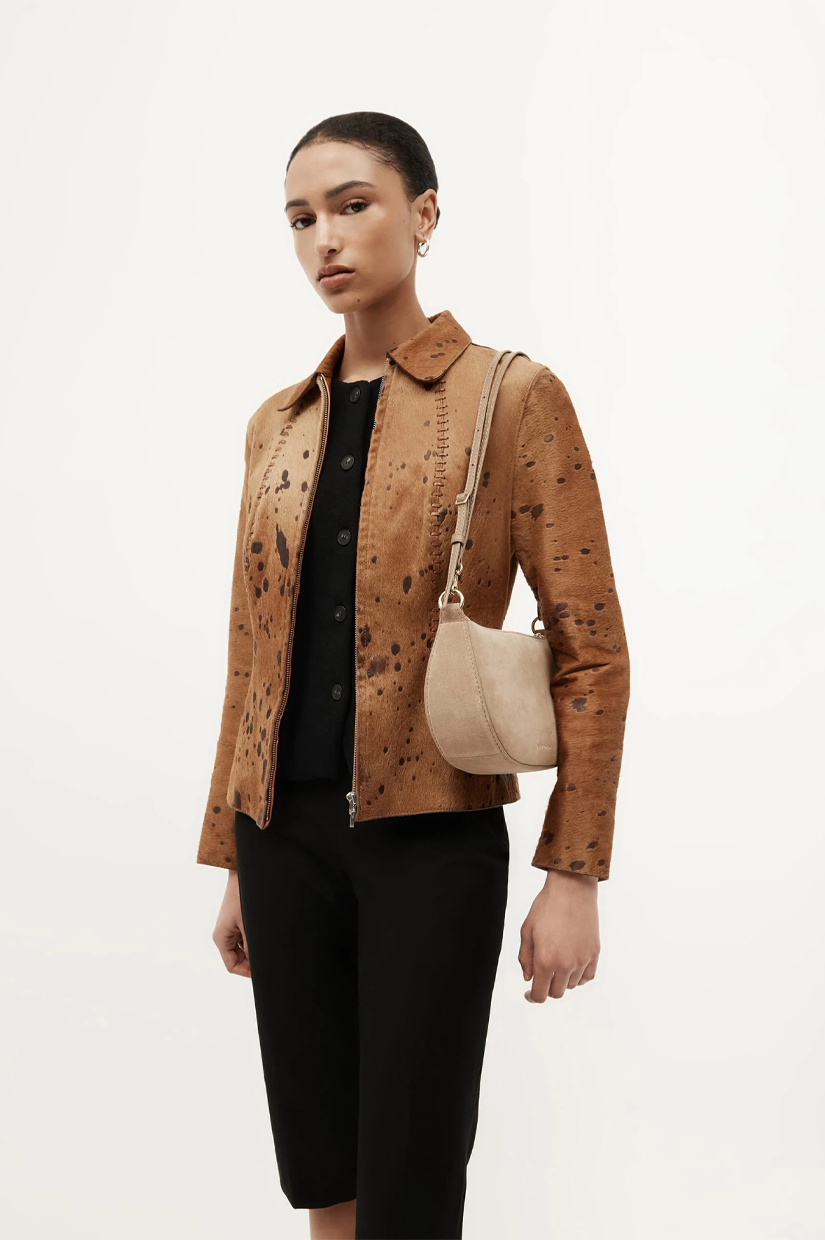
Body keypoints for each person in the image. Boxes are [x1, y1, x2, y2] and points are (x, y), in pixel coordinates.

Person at [196, 111, 631, 1240]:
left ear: (424, 213)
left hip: (430, 838)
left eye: (354, 204)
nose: (326, 238)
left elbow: (589, 642)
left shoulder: (508, 394)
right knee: (324, 1171)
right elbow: (251, 655)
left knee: (411, 1178)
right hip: (280, 839)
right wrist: (233, 856)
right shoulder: (275, 425)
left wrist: (573, 871)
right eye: (301, 218)